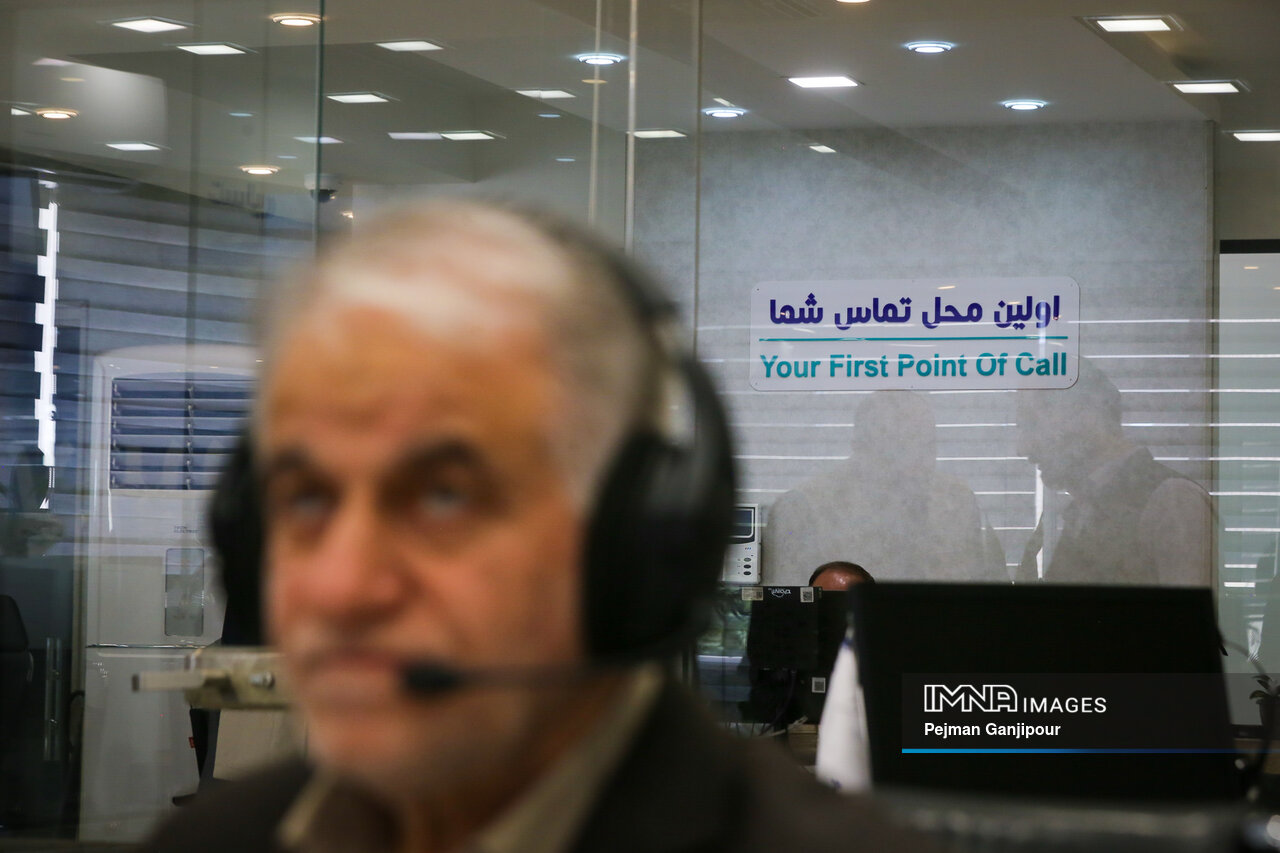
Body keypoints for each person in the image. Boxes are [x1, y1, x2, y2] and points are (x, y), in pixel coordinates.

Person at [140, 201, 936, 853]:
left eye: (444, 497)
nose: (342, 585)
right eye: (306, 499)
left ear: (630, 542)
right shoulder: (211, 840)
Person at [762, 391, 998, 584]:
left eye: (926, 445)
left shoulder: (956, 501)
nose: (916, 462)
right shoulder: (805, 507)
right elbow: (786, 607)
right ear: (861, 448)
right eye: (899, 446)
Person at [1015, 359, 1213, 586]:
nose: (1022, 448)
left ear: (1087, 415)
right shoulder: (1086, 509)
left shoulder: (1172, 502)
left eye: (1032, 424)